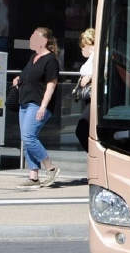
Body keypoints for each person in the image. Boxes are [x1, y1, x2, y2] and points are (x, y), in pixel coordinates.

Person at [13, 27, 62, 189]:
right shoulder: (34, 57)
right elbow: (27, 73)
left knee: (28, 136)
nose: (32, 39)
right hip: (25, 102)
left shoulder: (51, 60)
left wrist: (43, 106)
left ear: (44, 40)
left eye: (35, 36)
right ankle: (33, 176)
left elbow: (51, 85)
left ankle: (50, 168)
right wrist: (19, 78)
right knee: (27, 138)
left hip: (38, 103)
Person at [73, 28, 96, 151]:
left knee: (81, 129)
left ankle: (92, 152)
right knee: (85, 128)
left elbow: (104, 69)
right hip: (90, 98)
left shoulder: (99, 54)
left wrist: (89, 76)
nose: (82, 50)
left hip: (95, 98)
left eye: (82, 47)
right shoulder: (92, 57)